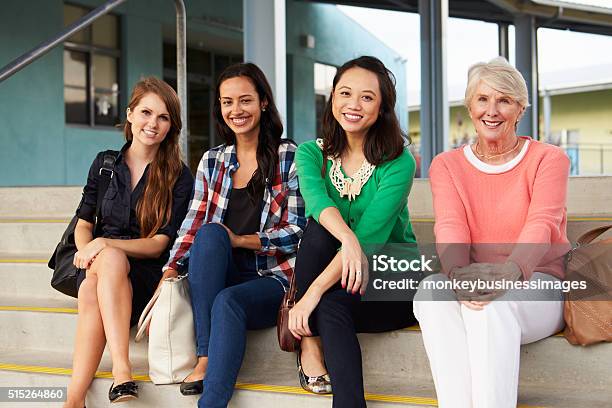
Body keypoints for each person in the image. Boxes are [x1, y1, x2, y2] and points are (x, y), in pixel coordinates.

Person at [413, 56, 571, 408]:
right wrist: (456, 273)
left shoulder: (549, 159)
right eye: (483, 99)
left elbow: (542, 223)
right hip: (471, 279)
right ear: (470, 106)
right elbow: (450, 224)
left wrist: (506, 274)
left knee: (489, 308)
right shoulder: (447, 165)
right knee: (431, 291)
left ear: (520, 109)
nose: (492, 110)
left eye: (505, 100)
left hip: (538, 283)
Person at [163, 62, 306, 408]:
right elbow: (193, 222)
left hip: (272, 276)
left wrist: (241, 240)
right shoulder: (213, 160)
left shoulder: (290, 156)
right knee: (210, 235)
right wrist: (170, 269)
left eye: (245, 100)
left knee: (228, 301)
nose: (236, 110)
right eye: (227, 102)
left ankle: (210, 399)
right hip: (220, 270)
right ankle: (206, 356)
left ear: (264, 103)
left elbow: (298, 231)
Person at [289, 56, 418, 407]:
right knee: (319, 231)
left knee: (326, 302)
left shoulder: (399, 161)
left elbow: (371, 237)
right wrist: (347, 238)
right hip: (342, 276)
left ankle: (309, 335)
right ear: (332, 97)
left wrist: (310, 293)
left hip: (393, 277)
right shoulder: (311, 154)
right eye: (345, 93)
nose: (353, 105)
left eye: (367, 97)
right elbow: (316, 202)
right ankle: (315, 350)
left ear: (382, 106)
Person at [63, 77, 194, 407]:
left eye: (163, 117)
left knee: (104, 269)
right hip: (96, 268)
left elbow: (159, 244)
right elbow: (83, 223)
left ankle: (81, 394)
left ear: (170, 127)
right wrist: (88, 250)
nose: (153, 123)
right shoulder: (105, 164)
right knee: (98, 275)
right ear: (131, 114)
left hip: (143, 275)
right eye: (146, 112)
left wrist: (104, 244)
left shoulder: (179, 175)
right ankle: (112, 379)